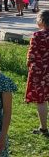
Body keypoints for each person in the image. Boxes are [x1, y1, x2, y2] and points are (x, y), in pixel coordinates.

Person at [25, 9, 49, 137]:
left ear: (41, 21)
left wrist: (29, 64)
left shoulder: (38, 35)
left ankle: (43, 128)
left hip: (40, 72)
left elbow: (32, 54)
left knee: (41, 100)